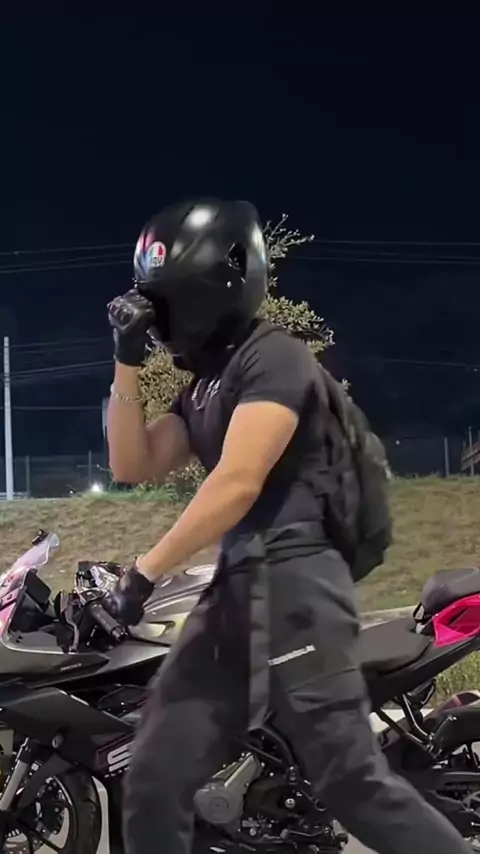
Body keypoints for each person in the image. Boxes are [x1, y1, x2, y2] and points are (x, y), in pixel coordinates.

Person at [105, 198, 470, 854]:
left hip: (297, 580)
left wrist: (146, 572)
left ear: (220, 284)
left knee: (350, 783)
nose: (160, 318)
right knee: (155, 774)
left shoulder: (275, 357)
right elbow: (133, 463)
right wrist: (126, 360)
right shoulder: (202, 387)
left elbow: (239, 480)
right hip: (235, 589)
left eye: (168, 302)